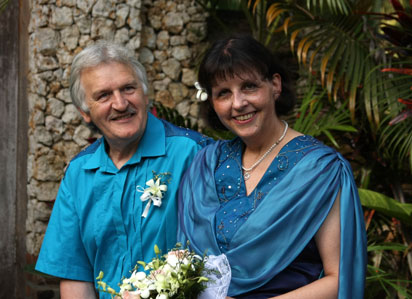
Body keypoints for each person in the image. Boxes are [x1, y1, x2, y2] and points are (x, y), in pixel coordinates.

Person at [178, 35, 367, 298]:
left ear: (275, 85)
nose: (238, 103)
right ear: (212, 102)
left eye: (249, 87)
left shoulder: (322, 170)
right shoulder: (206, 164)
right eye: (223, 93)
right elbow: (185, 265)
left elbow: (339, 279)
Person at [35, 41, 211, 298]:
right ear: (85, 112)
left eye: (128, 88)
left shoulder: (194, 154)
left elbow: (223, 259)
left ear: (145, 94)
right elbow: (76, 276)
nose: (120, 103)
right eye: (103, 95)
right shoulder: (78, 174)